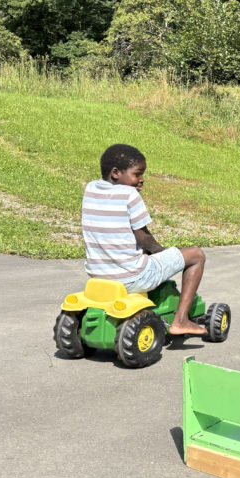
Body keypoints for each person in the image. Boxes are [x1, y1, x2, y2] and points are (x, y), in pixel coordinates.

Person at [82, 144, 207, 336]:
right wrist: (165, 252)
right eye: (137, 174)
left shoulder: (90, 189)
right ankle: (181, 320)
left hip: (97, 275)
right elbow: (145, 239)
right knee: (196, 255)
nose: (141, 180)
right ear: (116, 173)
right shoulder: (130, 195)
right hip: (133, 278)